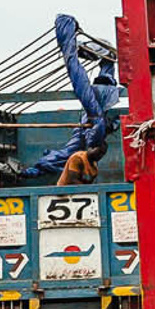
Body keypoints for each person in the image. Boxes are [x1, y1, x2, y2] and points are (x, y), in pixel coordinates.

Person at [25, 13, 123, 186]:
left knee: (77, 70)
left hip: (95, 112)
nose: (96, 152)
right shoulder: (84, 150)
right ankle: (72, 37)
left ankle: (70, 36)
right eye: (98, 152)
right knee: (76, 70)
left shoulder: (83, 150)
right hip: (95, 111)